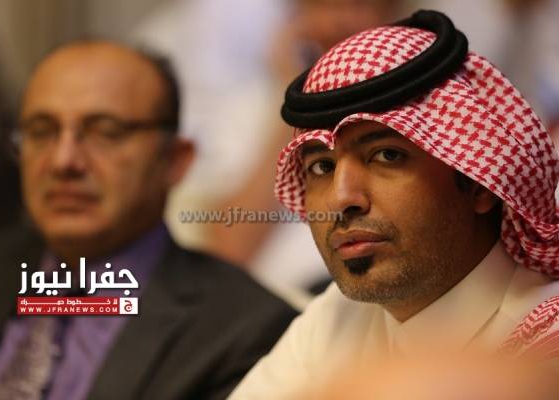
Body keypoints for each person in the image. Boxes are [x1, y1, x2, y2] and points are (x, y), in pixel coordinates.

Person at [229, 10, 559, 399]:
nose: (341, 198)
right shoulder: (336, 317)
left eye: (386, 156)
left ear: (478, 184)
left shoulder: (545, 338)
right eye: (321, 166)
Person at [0, 40, 297, 400]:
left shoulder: (244, 332)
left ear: (175, 160)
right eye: (41, 131)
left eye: (106, 132)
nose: (63, 161)